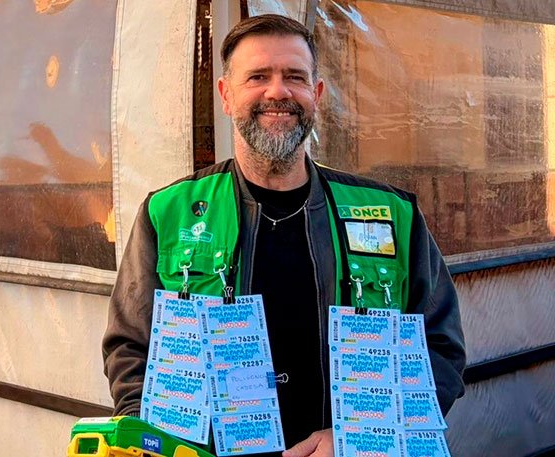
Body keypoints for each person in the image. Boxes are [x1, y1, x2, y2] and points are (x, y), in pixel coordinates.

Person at [103, 14, 466, 457]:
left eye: (294, 76)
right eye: (258, 76)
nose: (278, 91)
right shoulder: (169, 212)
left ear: (316, 94)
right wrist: (154, 443)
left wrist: (356, 439)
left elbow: (441, 347)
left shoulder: (392, 214)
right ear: (226, 95)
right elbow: (130, 348)